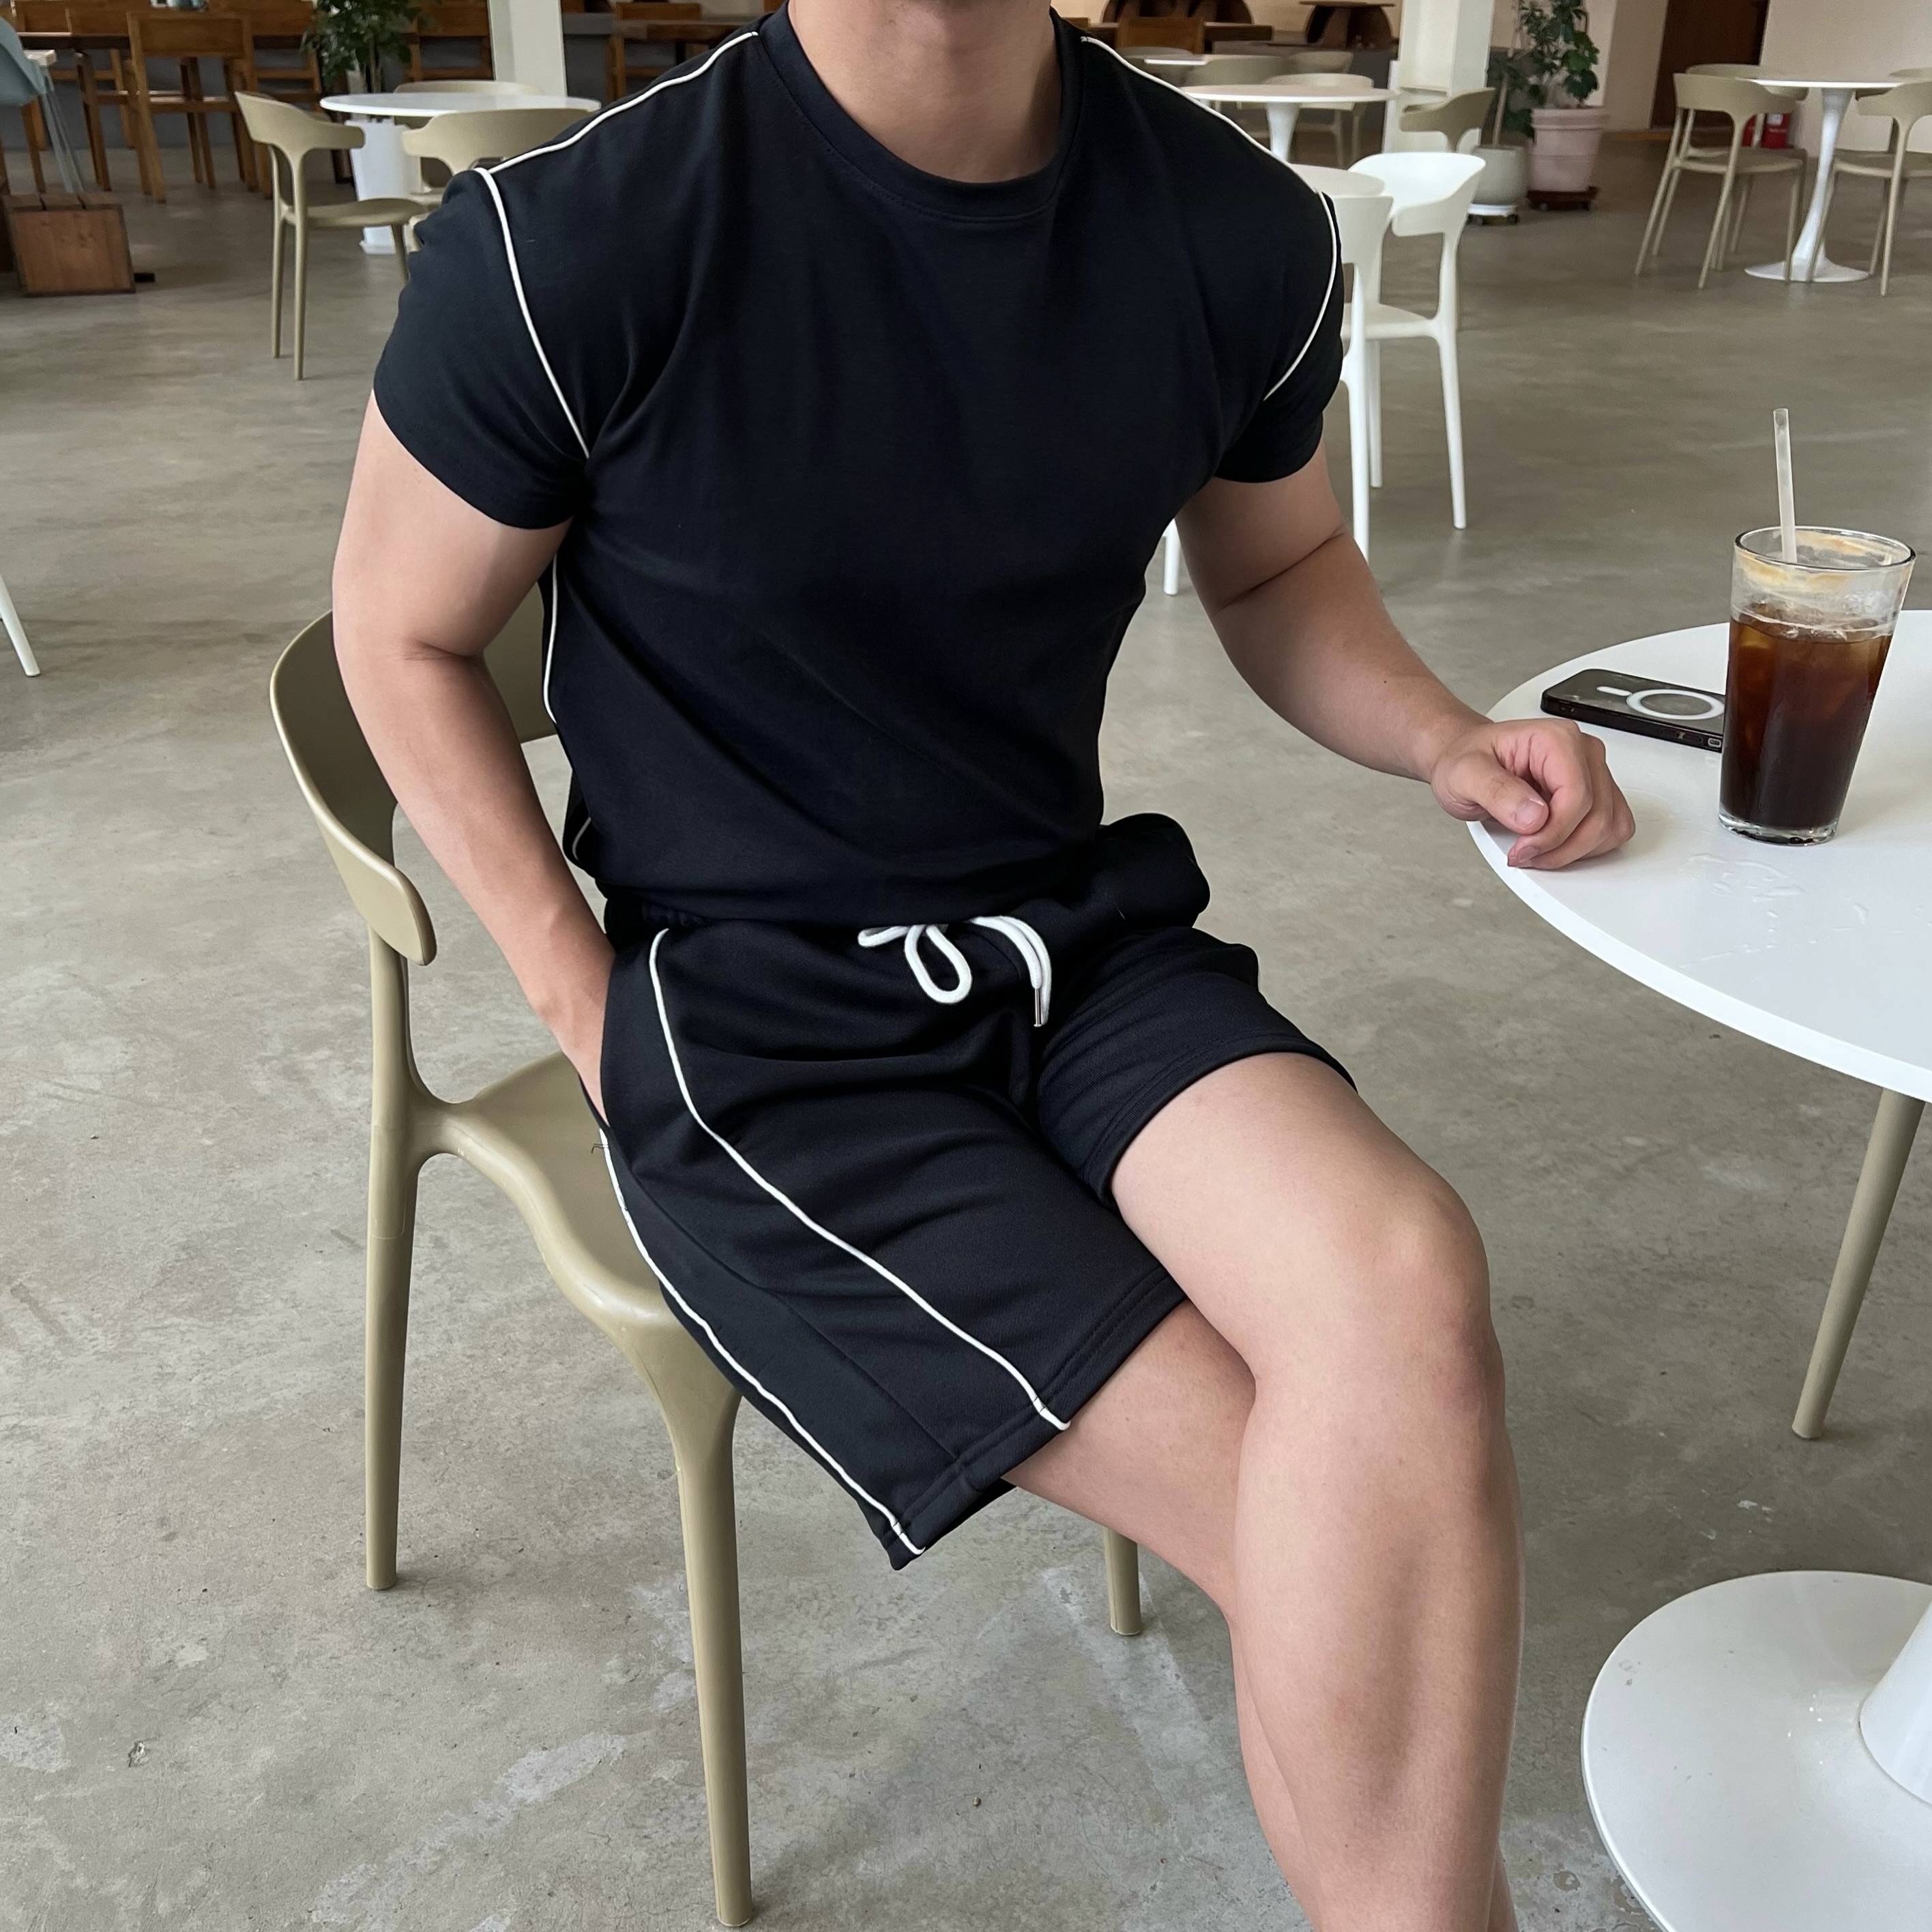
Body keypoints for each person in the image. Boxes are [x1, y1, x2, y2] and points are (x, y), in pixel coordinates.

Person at [332, 0, 1634, 1922]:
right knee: (1312, 1513)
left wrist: (1442, 736)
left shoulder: (1227, 228)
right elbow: (396, 633)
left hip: (1065, 933)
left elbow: (1279, 565)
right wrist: (583, 1003)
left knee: (1405, 1286)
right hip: (760, 1018)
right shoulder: (575, 243)